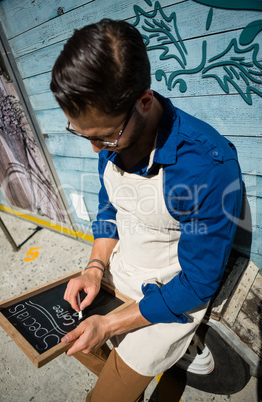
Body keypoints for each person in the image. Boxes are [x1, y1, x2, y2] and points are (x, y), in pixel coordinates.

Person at [50, 19, 242, 402]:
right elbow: (109, 207)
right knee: (84, 350)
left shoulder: (207, 166)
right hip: (120, 272)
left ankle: (176, 357)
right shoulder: (109, 138)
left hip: (170, 296)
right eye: (84, 135)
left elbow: (198, 282)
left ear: (144, 101)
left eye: (105, 136)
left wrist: (110, 323)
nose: (96, 150)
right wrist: (94, 268)